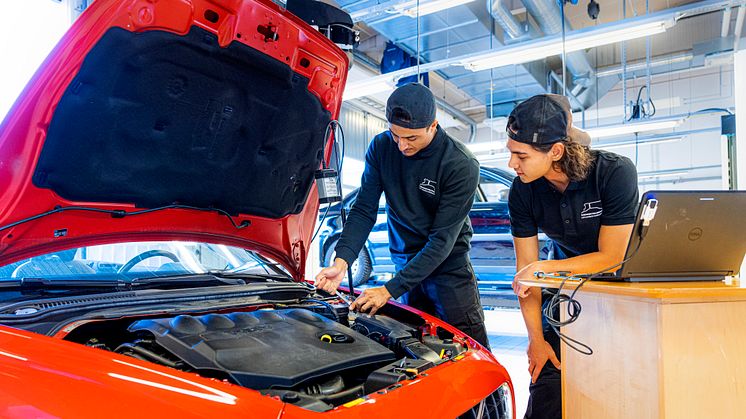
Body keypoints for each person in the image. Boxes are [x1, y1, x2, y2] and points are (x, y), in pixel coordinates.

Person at [315, 82, 490, 349]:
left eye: (412, 138)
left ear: (433, 125)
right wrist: (341, 262)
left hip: (449, 272)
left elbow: (441, 242)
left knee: (469, 352)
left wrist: (388, 290)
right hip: (405, 266)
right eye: (396, 135)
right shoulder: (381, 148)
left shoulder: (460, 164)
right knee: (414, 350)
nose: (401, 146)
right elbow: (364, 209)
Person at [506, 94, 639, 419]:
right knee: (547, 386)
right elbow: (527, 275)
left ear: (555, 151)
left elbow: (612, 256)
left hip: (622, 294)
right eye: (511, 153)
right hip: (566, 296)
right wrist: (536, 340)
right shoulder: (522, 191)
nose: (512, 164)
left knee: (619, 392)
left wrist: (542, 269)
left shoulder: (613, 172)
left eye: (521, 155)